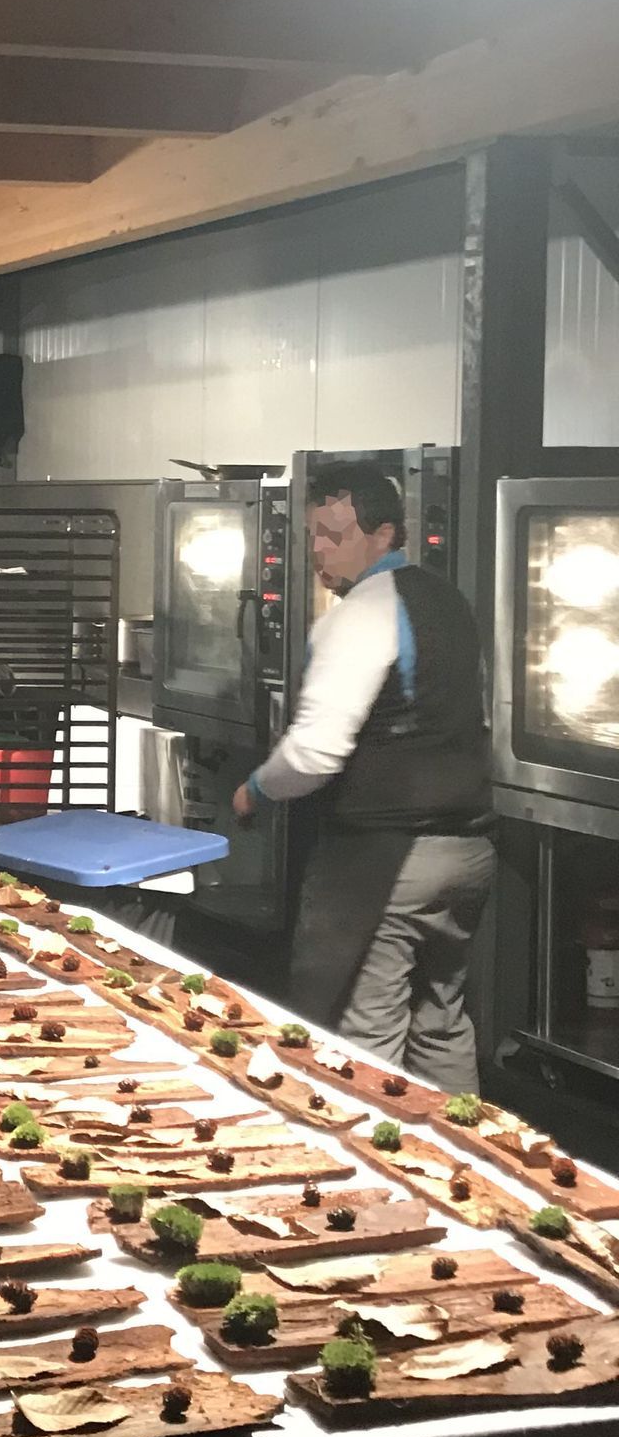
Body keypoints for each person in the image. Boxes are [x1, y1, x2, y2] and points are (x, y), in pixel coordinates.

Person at [233, 460, 494, 1091]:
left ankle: (368, 1151)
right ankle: (464, 1147)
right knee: (441, 1023)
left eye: (335, 534)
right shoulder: (447, 600)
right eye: (314, 535)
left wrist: (255, 789)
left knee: (361, 1037)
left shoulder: (359, 614)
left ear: (384, 534)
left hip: (386, 861)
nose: (319, 551)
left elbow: (314, 754)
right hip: (468, 850)